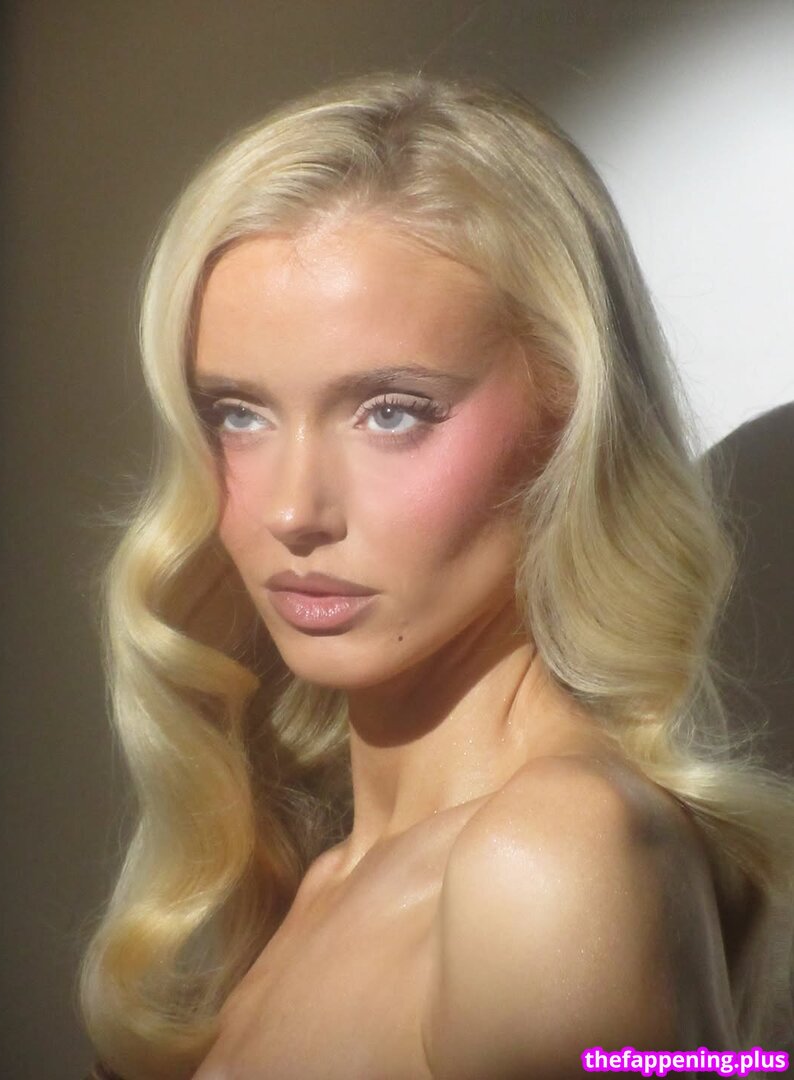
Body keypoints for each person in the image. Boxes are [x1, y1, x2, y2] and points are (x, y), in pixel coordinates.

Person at [78, 72, 794, 1080]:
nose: (293, 511)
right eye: (238, 412)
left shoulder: (550, 860)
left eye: (391, 411)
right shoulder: (308, 885)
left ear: (569, 415)